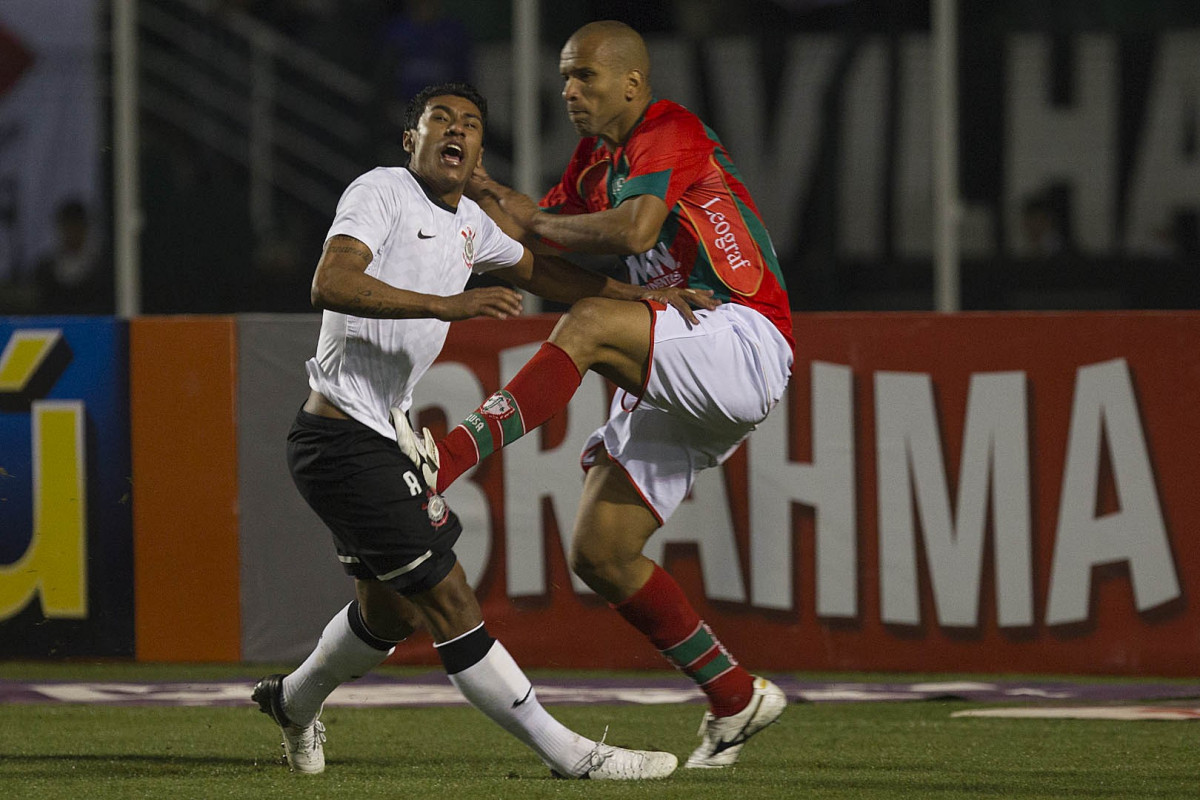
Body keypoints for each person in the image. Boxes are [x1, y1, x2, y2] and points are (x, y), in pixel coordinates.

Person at [252, 81, 707, 779]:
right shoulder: (380, 191)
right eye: (442, 120)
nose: (458, 131)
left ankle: (292, 701)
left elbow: (546, 271)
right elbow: (331, 281)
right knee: (448, 596)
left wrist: (644, 296)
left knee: (390, 614)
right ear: (413, 139)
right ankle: (571, 756)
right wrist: (449, 304)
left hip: (371, 440)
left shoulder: (470, 222)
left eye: (471, 124)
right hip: (344, 442)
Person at [393, 20, 792, 769]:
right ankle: (737, 696)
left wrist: (530, 217)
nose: (570, 91)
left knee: (587, 324)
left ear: (632, 83)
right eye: (565, 78)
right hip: (675, 356)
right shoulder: (589, 163)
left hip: (741, 337)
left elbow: (636, 232)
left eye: (585, 77)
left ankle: (442, 463)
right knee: (601, 553)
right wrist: (475, 207)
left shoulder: (668, 129)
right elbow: (537, 251)